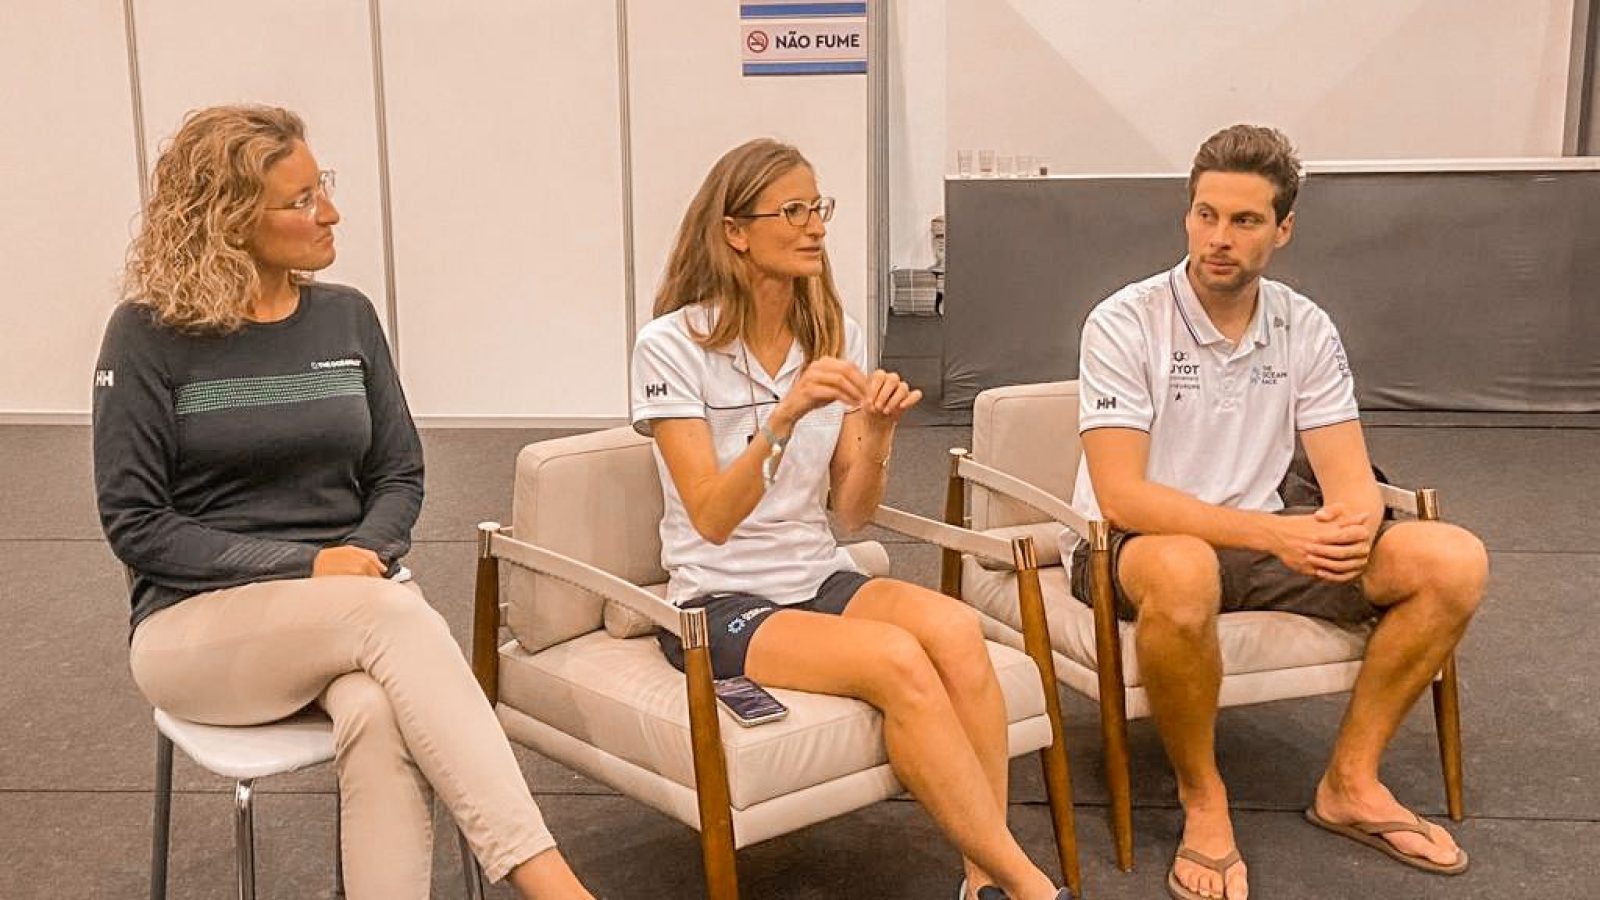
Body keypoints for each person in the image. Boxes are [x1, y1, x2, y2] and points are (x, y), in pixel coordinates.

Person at [93, 105, 593, 900]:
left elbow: (399, 474)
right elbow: (138, 526)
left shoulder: (346, 317)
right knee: (384, 613)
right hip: (195, 628)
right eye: (300, 200)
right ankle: (554, 885)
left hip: (353, 610)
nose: (329, 213)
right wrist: (312, 566)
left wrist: (358, 558)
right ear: (226, 217)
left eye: (321, 187)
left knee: (377, 709)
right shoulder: (146, 336)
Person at [631, 138, 1073, 900]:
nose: (815, 227)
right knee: (897, 661)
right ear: (735, 230)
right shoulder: (671, 344)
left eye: (818, 208)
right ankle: (1030, 885)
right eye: (792, 211)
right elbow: (709, 516)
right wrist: (786, 411)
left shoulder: (833, 333)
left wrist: (879, 432)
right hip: (717, 600)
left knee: (958, 632)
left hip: (817, 573)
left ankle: (982, 881)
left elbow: (853, 512)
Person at [1069, 124, 1488, 900]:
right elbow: (1124, 496)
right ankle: (1204, 798)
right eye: (1205, 215)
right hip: (1133, 545)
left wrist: (1354, 522)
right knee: (1186, 565)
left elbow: (1348, 476)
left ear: (1283, 228)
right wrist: (1278, 535)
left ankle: (1351, 784)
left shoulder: (1305, 325)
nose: (1218, 239)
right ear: (1188, 214)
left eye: (1245, 221)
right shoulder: (1125, 321)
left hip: (1269, 541)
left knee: (1453, 560)